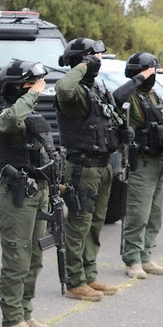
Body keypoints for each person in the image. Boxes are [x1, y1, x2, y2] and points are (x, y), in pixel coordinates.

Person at [55, 38, 129, 301]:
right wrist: (82, 66)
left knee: (95, 224)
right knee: (79, 224)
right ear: (82, 60)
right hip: (82, 167)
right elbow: (63, 87)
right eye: (94, 56)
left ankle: (89, 275)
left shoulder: (95, 88)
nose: (99, 60)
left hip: (102, 165)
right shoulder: (73, 91)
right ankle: (75, 282)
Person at [0, 60, 58, 327]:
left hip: (39, 190)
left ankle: (25, 312)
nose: (38, 89)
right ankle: (11, 319)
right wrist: (31, 95)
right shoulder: (5, 114)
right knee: (17, 257)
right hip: (17, 193)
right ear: (16, 88)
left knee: (35, 256)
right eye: (31, 85)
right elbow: (11, 120)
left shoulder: (31, 115)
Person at [113, 53, 163, 279]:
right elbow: (116, 97)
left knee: (155, 214)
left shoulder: (154, 96)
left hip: (158, 162)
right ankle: (132, 260)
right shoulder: (130, 96)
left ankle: (146, 256)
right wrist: (140, 77)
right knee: (138, 214)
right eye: (150, 71)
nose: (153, 75)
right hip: (140, 163)